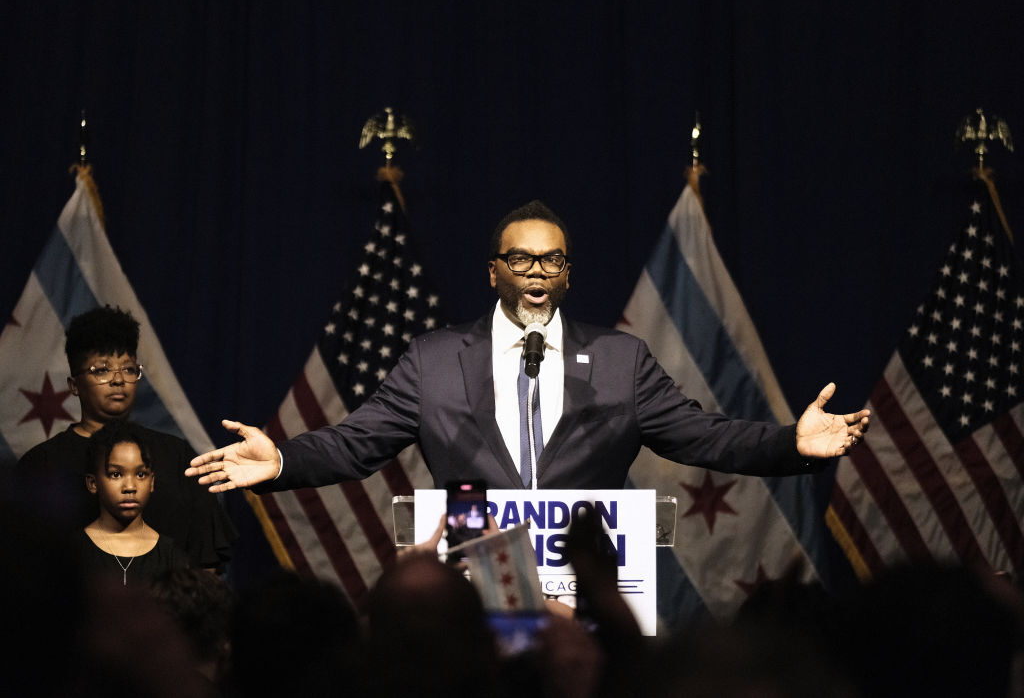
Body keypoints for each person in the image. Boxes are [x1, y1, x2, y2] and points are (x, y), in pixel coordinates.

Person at [187, 201, 869, 494]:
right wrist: (280, 459)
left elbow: (704, 437)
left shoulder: (619, 360)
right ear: (495, 271)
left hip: (589, 589)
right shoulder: (433, 359)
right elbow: (353, 442)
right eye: (521, 260)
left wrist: (790, 443)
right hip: (474, 584)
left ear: (568, 272)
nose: (536, 273)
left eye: (551, 261)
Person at [17, 305, 236, 570]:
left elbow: (206, 566)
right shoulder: (41, 465)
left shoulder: (179, 458)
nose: (118, 380)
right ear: (74, 385)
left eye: (129, 369)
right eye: (102, 370)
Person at [77, 420, 188, 586]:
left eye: (141, 474)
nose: (130, 487)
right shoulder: (73, 553)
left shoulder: (170, 556)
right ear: (93, 483)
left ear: (152, 482)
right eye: (116, 475)